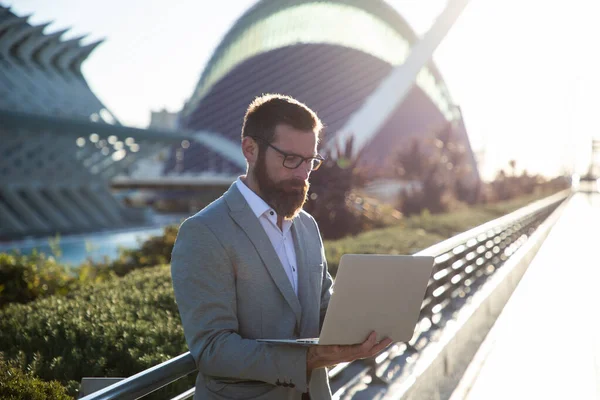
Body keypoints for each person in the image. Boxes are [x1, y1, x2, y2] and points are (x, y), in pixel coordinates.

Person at [171, 94, 392, 400]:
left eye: (310, 161)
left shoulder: (307, 226)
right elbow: (212, 350)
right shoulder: (204, 232)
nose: (302, 174)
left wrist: (366, 326)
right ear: (250, 149)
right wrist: (310, 359)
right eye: (290, 159)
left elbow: (321, 309)